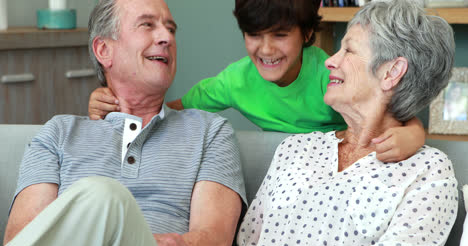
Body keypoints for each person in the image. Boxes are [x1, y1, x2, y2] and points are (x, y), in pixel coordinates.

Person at [0, 0, 246, 246]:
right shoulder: (58, 134)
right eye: (147, 25)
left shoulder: (210, 132)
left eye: (171, 29)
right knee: (103, 196)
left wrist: (132, 243)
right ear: (104, 50)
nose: (166, 37)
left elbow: (212, 244)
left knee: (106, 197)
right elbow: (21, 243)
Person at [223, 0, 458, 246]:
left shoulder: (428, 170)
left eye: (348, 50)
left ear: (392, 72)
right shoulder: (295, 148)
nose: (330, 61)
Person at [88, 0, 426, 163]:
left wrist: (413, 135)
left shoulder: (332, 74)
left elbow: (390, 114)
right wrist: (110, 103)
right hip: (287, 176)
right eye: (254, 35)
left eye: (279, 35)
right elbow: (163, 112)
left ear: (307, 33)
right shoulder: (235, 80)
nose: (265, 49)